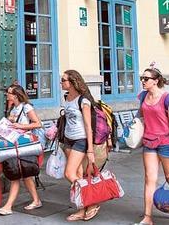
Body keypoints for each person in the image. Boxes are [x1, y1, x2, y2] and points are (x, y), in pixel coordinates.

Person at [134, 65, 169, 225]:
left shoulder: (167, 99)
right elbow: (140, 118)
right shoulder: (143, 96)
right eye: (141, 78)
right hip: (149, 142)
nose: (143, 81)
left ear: (156, 81)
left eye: (146, 79)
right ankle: (148, 217)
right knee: (149, 179)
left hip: (166, 143)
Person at [0, 84, 43, 216]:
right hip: (14, 146)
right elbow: (7, 126)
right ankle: (36, 200)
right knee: (25, 175)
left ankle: (8, 207)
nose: (7, 95)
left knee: (16, 176)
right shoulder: (14, 109)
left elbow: (38, 123)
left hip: (22, 146)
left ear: (15, 95)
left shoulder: (27, 107)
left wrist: (21, 125)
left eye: (9, 93)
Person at [60, 69, 100, 222]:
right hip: (68, 139)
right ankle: (82, 208)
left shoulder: (83, 100)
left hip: (81, 140)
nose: (61, 83)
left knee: (69, 174)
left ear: (72, 82)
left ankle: (92, 201)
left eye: (64, 80)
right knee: (77, 174)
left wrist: (90, 149)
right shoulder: (67, 97)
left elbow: (88, 126)